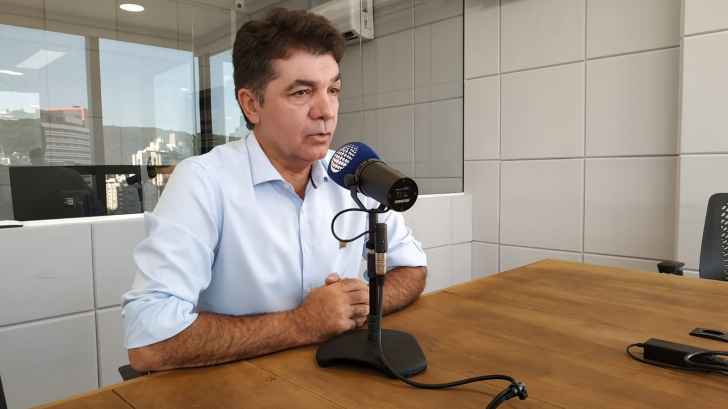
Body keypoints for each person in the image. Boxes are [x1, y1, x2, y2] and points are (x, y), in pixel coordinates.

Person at [122, 7, 428, 373]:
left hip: (340, 377)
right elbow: (149, 341)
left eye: (333, 90)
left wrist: (364, 300)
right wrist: (303, 324)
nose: (327, 111)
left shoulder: (352, 171)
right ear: (252, 105)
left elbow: (412, 267)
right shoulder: (204, 181)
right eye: (302, 92)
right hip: (240, 384)